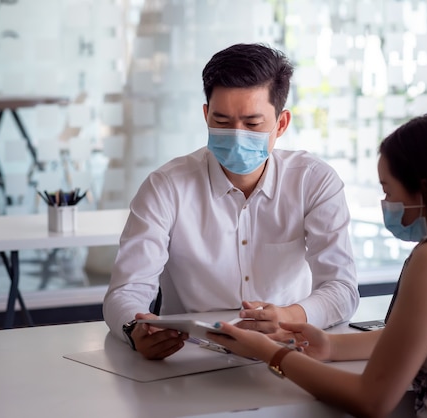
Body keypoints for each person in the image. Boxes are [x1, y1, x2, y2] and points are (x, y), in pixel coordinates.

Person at [208, 113, 427, 417]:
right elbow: (426, 336)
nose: (386, 204)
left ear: (426, 190)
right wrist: (331, 345)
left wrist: (269, 353)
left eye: (388, 190)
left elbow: (372, 399)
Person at [103, 43, 359, 360]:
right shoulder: (166, 187)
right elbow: (126, 291)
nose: (236, 135)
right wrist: (134, 329)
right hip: (189, 357)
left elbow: (342, 290)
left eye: (252, 124)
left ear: (281, 124)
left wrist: (290, 315)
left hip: (290, 352)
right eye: (222, 122)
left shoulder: (314, 180)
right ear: (206, 114)